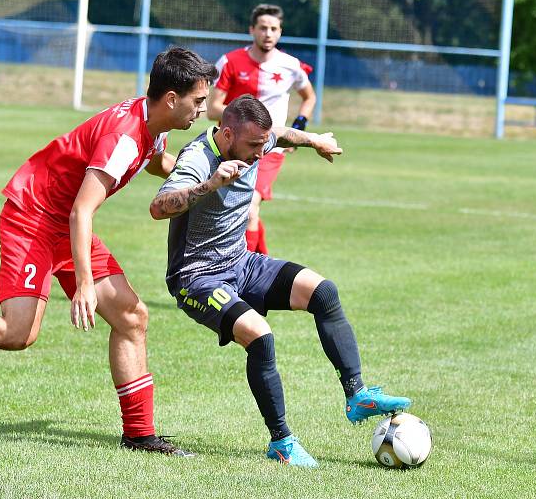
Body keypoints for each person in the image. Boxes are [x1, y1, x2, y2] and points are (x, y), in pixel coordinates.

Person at [0, 47, 219, 457]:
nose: (203, 110)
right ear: (171, 99)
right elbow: (84, 210)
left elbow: (154, 161)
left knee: (132, 316)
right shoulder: (124, 136)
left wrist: (198, 176)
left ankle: (140, 435)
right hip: (32, 216)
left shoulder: (153, 122)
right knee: (17, 334)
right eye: (198, 101)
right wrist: (84, 284)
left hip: (63, 222)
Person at [150, 95, 411, 468]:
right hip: (197, 277)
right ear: (226, 135)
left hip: (241, 262)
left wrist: (316, 139)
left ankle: (358, 396)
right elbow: (158, 207)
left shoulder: (257, 137)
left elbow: (282, 136)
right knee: (260, 336)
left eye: (263, 143)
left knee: (323, 291)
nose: (261, 153)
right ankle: (282, 443)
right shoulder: (197, 159)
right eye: (254, 146)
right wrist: (209, 185)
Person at [207, 3, 316, 255]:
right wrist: (243, 121)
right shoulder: (231, 62)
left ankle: (244, 274)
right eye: (263, 28)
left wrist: (297, 128)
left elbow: (309, 97)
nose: (268, 33)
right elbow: (213, 108)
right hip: (232, 149)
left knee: (249, 209)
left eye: (274, 29)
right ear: (252, 30)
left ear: (280, 32)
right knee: (239, 208)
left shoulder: (290, 65)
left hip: (270, 149)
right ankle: (264, 265)